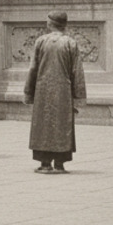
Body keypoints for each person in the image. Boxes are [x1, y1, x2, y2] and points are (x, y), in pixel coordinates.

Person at [24, 10, 86, 174]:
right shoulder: (70, 43)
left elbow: (33, 68)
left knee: (43, 125)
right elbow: (77, 72)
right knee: (62, 124)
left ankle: (45, 163)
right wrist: (78, 97)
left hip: (43, 89)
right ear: (64, 25)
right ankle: (59, 163)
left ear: (49, 24)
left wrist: (28, 92)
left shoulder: (41, 41)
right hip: (63, 91)